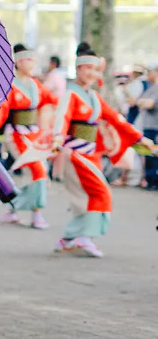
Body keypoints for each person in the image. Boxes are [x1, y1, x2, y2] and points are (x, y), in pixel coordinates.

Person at [51, 43, 150, 256]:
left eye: (95, 69)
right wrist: (58, 136)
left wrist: (141, 138)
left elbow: (117, 120)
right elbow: (62, 117)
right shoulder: (71, 95)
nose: (92, 73)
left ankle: (68, 238)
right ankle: (84, 237)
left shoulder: (95, 98)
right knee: (101, 193)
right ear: (78, 69)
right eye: (87, 68)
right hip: (76, 153)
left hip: (91, 154)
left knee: (87, 198)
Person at [0, 44, 58, 229]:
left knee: (38, 170)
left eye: (34, 60)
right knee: (37, 170)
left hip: (34, 133)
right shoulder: (9, 84)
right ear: (18, 62)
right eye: (29, 60)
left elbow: (51, 101)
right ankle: (36, 213)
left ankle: (13, 209)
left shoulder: (36, 85)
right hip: (16, 134)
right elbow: (0, 109)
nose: (32, 63)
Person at [134, 64, 158, 191]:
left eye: (150, 72)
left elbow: (148, 103)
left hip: (155, 126)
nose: (148, 75)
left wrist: (142, 102)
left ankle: (153, 180)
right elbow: (138, 101)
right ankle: (148, 179)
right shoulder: (150, 87)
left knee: (153, 154)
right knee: (147, 153)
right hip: (148, 125)